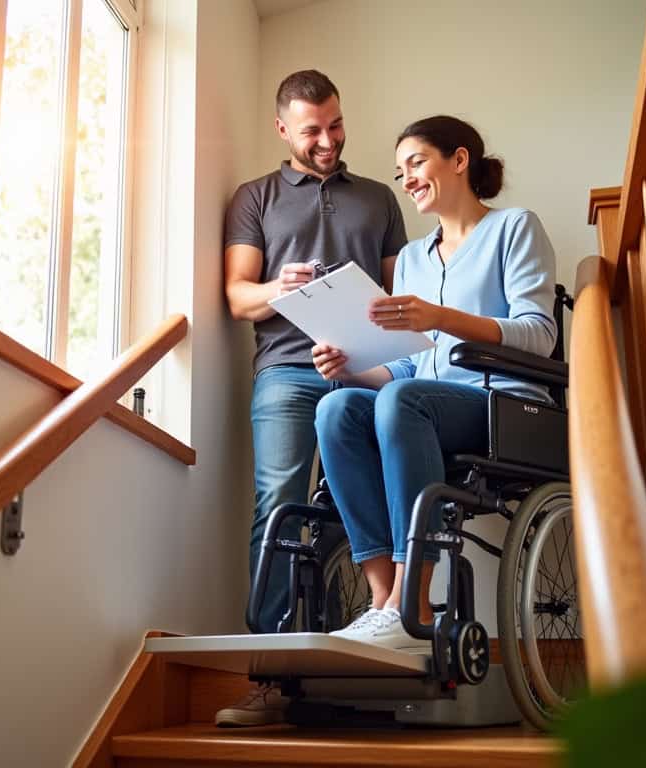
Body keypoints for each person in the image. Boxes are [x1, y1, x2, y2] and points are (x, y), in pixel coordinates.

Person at [311, 115, 557, 650]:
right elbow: (409, 368)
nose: (408, 180)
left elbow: (539, 335)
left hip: (501, 406)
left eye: (417, 163)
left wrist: (440, 317)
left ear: (460, 159)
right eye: (400, 173)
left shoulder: (515, 227)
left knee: (404, 400)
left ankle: (413, 604)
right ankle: (384, 600)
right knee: (337, 408)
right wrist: (349, 365)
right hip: (423, 403)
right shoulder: (414, 260)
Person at [215, 70, 407, 727]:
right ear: (282, 131)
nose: (328, 140)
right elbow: (238, 298)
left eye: (336, 124)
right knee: (280, 509)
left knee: (365, 510)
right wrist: (280, 287)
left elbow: (398, 303)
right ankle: (269, 678)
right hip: (288, 374)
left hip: (368, 376)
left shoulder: (381, 198)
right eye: (311, 131)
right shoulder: (255, 197)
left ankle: (341, 661)